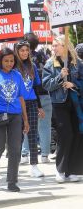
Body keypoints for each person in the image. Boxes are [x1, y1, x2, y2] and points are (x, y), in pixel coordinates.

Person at [42, 35, 83, 183]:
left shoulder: (77, 63)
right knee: (65, 135)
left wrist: (74, 85)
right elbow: (47, 85)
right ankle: (60, 169)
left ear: (65, 46)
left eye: (56, 45)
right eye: (53, 45)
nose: (53, 48)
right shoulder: (49, 64)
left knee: (77, 135)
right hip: (59, 104)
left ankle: (72, 171)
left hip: (76, 103)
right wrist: (60, 76)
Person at [0, 47, 29, 192]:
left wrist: (26, 119)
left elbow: (21, 98)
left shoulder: (17, 75)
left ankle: (12, 181)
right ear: (0, 60)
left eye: (12, 60)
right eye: (6, 61)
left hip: (15, 115)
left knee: (15, 149)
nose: (9, 63)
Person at [15, 40, 45, 178]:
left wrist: (39, 106)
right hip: (17, 104)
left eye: (27, 50)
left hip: (32, 103)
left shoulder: (32, 66)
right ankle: (14, 165)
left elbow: (36, 87)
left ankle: (34, 166)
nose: (25, 53)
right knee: (17, 135)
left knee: (33, 133)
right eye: (22, 50)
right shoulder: (13, 66)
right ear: (17, 51)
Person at [24, 33, 52, 163]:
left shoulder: (23, 59)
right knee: (45, 125)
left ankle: (25, 153)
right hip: (46, 93)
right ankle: (45, 155)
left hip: (30, 96)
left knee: (26, 124)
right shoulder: (44, 56)